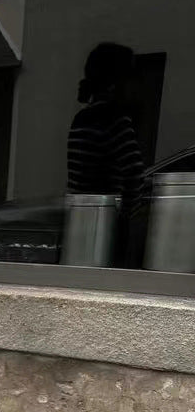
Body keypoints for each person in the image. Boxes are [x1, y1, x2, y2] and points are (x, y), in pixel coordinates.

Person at [67, 42, 147, 268]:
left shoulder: (81, 119)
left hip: (78, 217)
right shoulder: (115, 120)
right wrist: (127, 215)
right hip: (106, 223)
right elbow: (135, 174)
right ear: (118, 81)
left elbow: (75, 178)